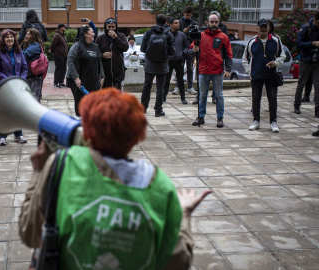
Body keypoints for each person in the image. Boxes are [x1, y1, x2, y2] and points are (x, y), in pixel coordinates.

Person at [19, 88, 212, 269]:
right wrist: (184, 216)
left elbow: (30, 234)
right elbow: (179, 262)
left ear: (88, 130)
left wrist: (38, 170)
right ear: (137, 136)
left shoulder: (62, 164)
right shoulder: (161, 186)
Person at [242, 18, 285, 133]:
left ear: (268, 29)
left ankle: (273, 121)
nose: (263, 31)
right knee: (256, 99)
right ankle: (256, 120)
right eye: (261, 29)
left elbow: (282, 55)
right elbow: (245, 59)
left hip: (271, 74)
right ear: (257, 28)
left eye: (265, 29)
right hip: (256, 76)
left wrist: (275, 63)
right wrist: (250, 71)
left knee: (272, 99)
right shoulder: (251, 42)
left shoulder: (275, 40)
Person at [190, 13, 232, 128]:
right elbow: (190, 52)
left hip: (217, 71)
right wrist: (194, 50)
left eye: (216, 22)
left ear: (219, 23)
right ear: (207, 23)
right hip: (203, 70)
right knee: (202, 95)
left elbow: (228, 54)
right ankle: (201, 116)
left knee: (218, 95)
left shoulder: (223, 36)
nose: (214, 24)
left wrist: (228, 69)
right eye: (212, 22)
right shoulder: (200, 36)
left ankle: (220, 118)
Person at [0, 29, 28, 146]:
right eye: (7, 37)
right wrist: (8, 81)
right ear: (3, 39)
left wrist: (20, 79)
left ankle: (18, 134)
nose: (10, 39)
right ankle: (2, 136)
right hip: (4, 87)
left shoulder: (19, 51)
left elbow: (24, 68)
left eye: (12, 37)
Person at [140, 14, 175, 117]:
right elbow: (173, 51)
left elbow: (142, 49)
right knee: (160, 87)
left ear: (155, 21)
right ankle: (158, 110)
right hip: (163, 64)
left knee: (147, 85)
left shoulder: (148, 33)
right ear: (165, 23)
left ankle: (143, 107)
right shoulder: (168, 34)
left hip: (149, 63)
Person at [66, 25, 105, 116]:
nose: (94, 34)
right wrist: (76, 77)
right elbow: (70, 62)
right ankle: (80, 123)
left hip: (94, 80)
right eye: (92, 32)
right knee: (80, 103)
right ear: (86, 34)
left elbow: (99, 62)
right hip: (79, 82)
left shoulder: (95, 47)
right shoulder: (77, 46)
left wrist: (102, 76)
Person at [294, 12, 319, 116]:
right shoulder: (305, 28)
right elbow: (299, 43)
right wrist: (312, 44)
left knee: (318, 85)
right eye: (318, 22)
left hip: (317, 61)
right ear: (314, 20)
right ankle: (297, 105)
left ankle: (317, 109)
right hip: (305, 60)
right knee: (301, 84)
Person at [96, 18, 129, 89]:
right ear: (105, 27)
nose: (111, 29)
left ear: (116, 27)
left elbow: (125, 48)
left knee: (117, 93)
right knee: (106, 93)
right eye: (109, 27)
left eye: (113, 27)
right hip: (105, 71)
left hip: (118, 71)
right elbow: (95, 53)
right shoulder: (100, 38)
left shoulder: (121, 36)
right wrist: (102, 55)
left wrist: (116, 38)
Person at [164, 17, 188, 105]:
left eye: (178, 23)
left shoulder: (182, 35)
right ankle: (163, 97)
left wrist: (183, 53)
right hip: (169, 61)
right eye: (175, 23)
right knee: (166, 80)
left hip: (179, 60)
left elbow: (186, 46)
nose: (178, 24)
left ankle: (183, 98)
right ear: (170, 25)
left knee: (180, 80)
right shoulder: (166, 35)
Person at [179, 6, 198, 95]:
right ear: (184, 14)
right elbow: (176, 35)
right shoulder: (179, 22)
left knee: (190, 68)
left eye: (189, 15)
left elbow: (196, 35)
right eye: (187, 15)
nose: (188, 17)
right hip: (181, 48)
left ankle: (190, 87)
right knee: (180, 68)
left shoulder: (193, 23)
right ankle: (178, 86)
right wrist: (184, 32)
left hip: (190, 47)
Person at [23, 28, 46, 102]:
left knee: (34, 100)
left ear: (34, 36)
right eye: (26, 34)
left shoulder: (35, 46)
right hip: (31, 76)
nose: (26, 36)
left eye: (28, 34)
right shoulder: (29, 45)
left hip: (34, 77)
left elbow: (24, 55)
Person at [50, 23, 68, 88]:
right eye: (64, 27)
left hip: (63, 55)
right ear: (60, 28)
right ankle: (55, 83)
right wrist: (52, 51)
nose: (65, 28)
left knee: (63, 69)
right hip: (58, 55)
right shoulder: (57, 35)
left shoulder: (62, 35)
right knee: (58, 69)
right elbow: (52, 44)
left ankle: (61, 82)